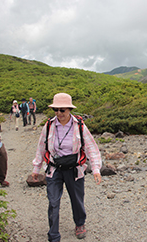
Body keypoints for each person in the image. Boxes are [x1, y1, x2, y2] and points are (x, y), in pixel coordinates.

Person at [32, 93, 102, 241]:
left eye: (62, 110)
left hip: (74, 168)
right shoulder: (49, 125)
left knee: (77, 199)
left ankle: (80, 223)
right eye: (55, 110)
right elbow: (41, 147)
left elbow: (91, 148)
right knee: (53, 201)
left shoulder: (79, 125)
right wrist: (36, 168)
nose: (59, 113)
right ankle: (53, 235)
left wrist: (95, 169)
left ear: (69, 109)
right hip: (54, 168)